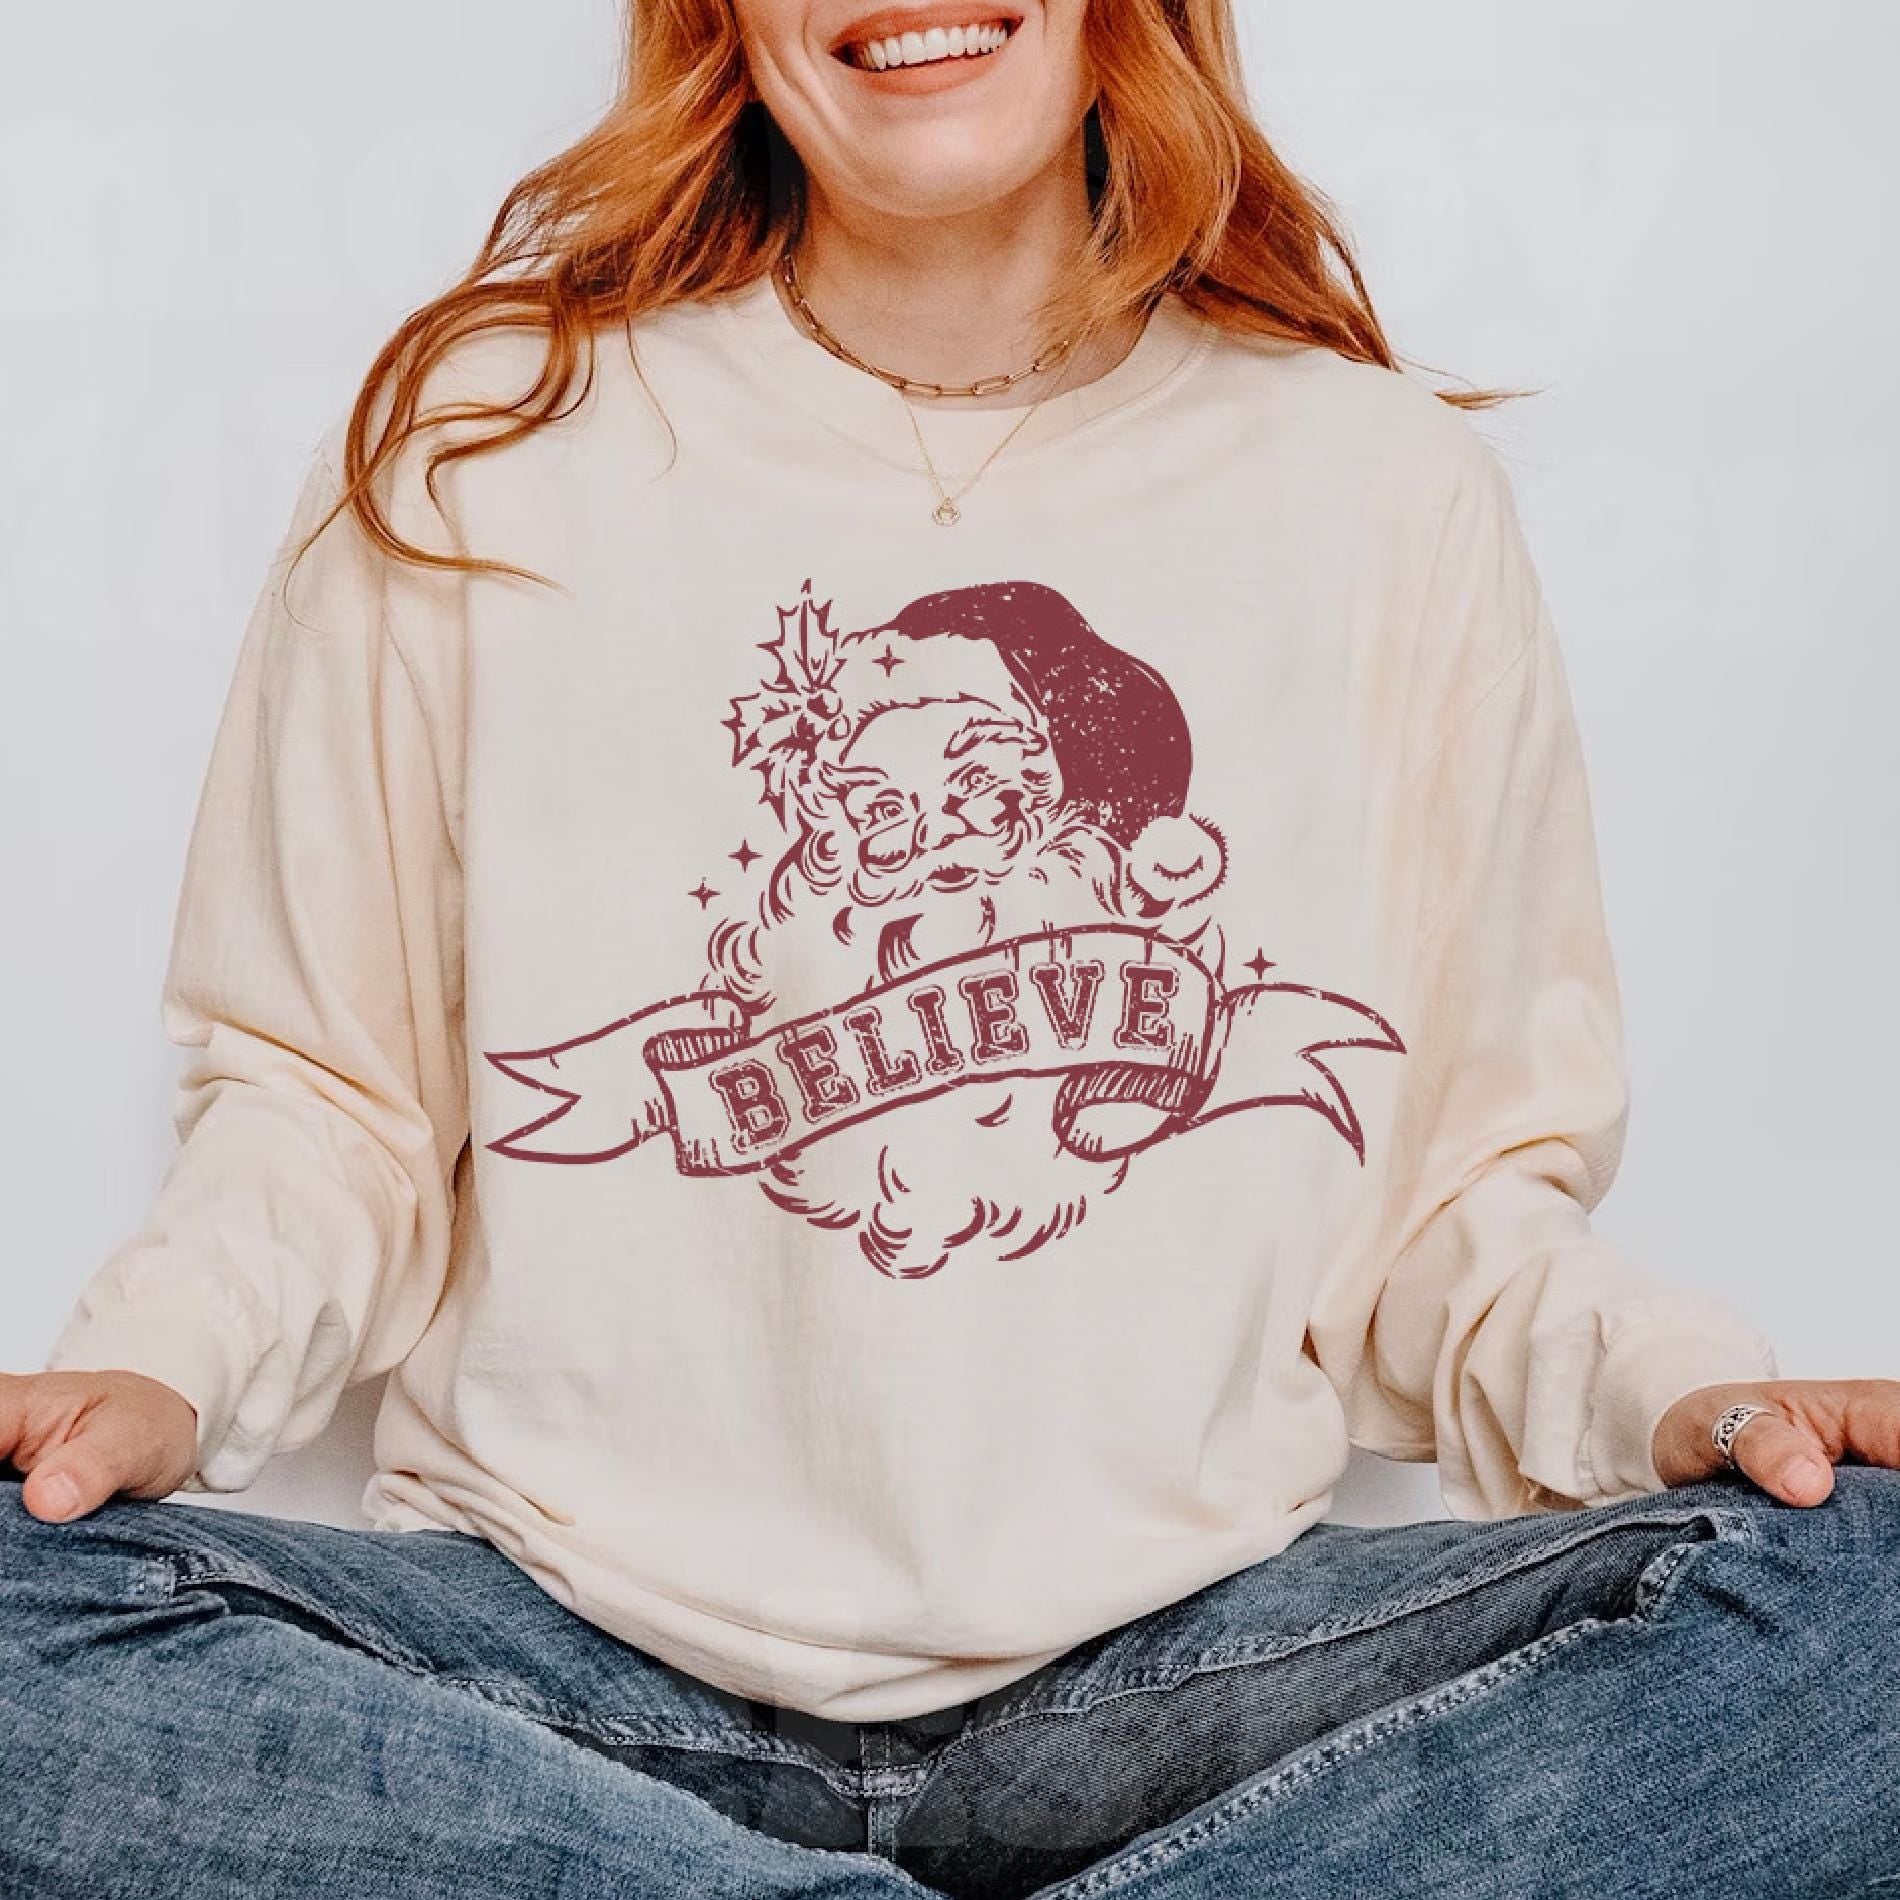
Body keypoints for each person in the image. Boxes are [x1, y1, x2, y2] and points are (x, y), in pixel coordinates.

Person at [4, 1, 1898, 1894]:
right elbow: (328, 1102)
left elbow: (1456, 1211)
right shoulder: (487, 446)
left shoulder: (1381, 494)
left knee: (1869, 1591)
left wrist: (1684, 1391)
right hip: (561, 1662)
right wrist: (165, 1363)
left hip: (1186, 1670)